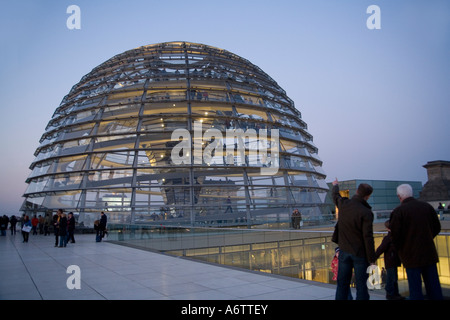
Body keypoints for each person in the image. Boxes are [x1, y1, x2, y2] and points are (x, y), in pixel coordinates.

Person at [389, 184, 443, 300]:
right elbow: (437, 227)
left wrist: (401, 249)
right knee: (434, 288)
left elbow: (395, 237)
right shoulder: (427, 207)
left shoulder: (398, 212)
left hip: (410, 257)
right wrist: (427, 238)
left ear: (399, 196)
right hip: (429, 253)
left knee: (415, 290)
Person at [331, 178, 376, 300]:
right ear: (368, 196)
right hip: (360, 254)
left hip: (344, 251)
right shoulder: (366, 212)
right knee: (361, 286)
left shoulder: (344, 204)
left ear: (356, 191)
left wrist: (335, 185)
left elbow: (335, 196)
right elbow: (368, 237)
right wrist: (372, 259)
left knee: (342, 284)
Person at [375, 220, 403, 300]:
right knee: (392, 278)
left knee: (392, 277)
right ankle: (392, 294)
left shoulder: (388, 238)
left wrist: (374, 257)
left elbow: (381, 249)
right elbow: (381, 248)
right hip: (393, 260)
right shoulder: (393, 237)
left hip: (390, 260)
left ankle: (393, 293)